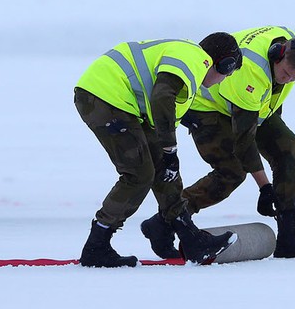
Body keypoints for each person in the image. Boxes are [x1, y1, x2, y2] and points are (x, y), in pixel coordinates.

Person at [139, 25, 295, 259]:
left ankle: (289, 236)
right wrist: (265, 188)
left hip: (252, 105)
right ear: (278, 56)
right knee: (232, 171)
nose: (289, 79)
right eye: (286, 74)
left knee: (288, 148)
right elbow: (244, 142)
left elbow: (273, 96)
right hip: (205, 106)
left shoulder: (291, 46)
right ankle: (165, 221)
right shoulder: (250, 73)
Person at [74, 32, 244, 267]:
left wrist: (168, 155)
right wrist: (169, 148)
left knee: (164, 168)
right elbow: (162, 97)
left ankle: (189, 237)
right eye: (226, 73)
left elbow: (162, 117)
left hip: (121, 101)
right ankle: (97, 246)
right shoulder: (195, 58)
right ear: (224, 63)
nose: (222, 80)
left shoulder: (189, 73)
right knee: (139, 175)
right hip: (104, 95)